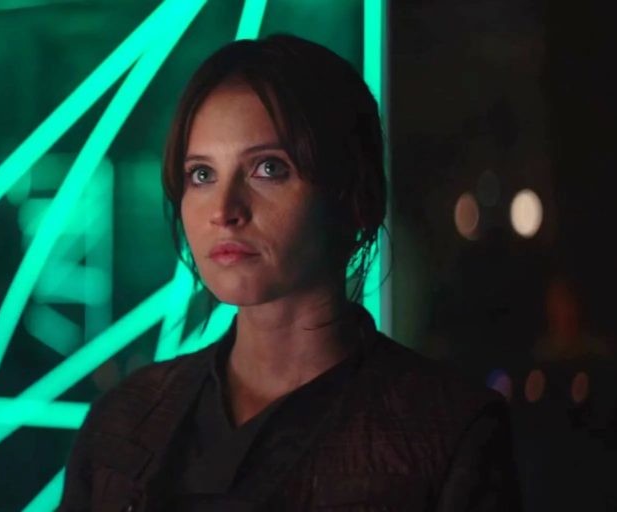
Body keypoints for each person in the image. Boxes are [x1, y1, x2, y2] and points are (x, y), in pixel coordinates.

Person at [60, 34, 521, 511]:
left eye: (268, 169)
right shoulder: (124, 421)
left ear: (351, 194)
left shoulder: (447, 433)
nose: (224, 210)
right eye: (202, 174)